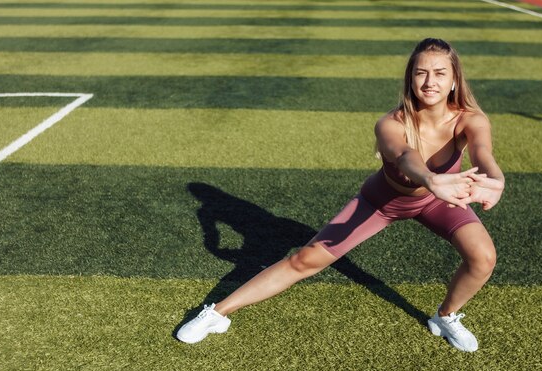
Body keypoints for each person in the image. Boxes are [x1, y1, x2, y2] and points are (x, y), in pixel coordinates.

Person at [176, 38, 505, 352]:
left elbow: (482, 152)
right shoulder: (391, 122)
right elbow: (405, 155)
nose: (429, 81)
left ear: (453, 80)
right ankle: (217, 313)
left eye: (439, 73)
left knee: (483, 257)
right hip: (382, 202)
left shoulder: (470, 118)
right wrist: (431, 179)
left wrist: (494, 178)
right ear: (410, 79)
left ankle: (445, 316)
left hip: (438, 201)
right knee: (305, 259)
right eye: (421, 72)